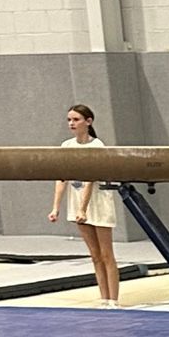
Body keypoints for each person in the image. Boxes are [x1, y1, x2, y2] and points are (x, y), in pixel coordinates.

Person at [47, 104, 121, 302]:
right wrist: (56, 207)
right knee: (95, 256)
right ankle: (104, 298)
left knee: (106, 255)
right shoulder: (66, 146)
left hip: (97, 203)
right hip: (77, 202)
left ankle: (114, 300)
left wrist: (83, 208)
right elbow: (61, 178)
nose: (71, 123)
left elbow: (90, 179)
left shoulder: (97, 146)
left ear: (88, 122)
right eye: (69, 120)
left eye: (76, 119)